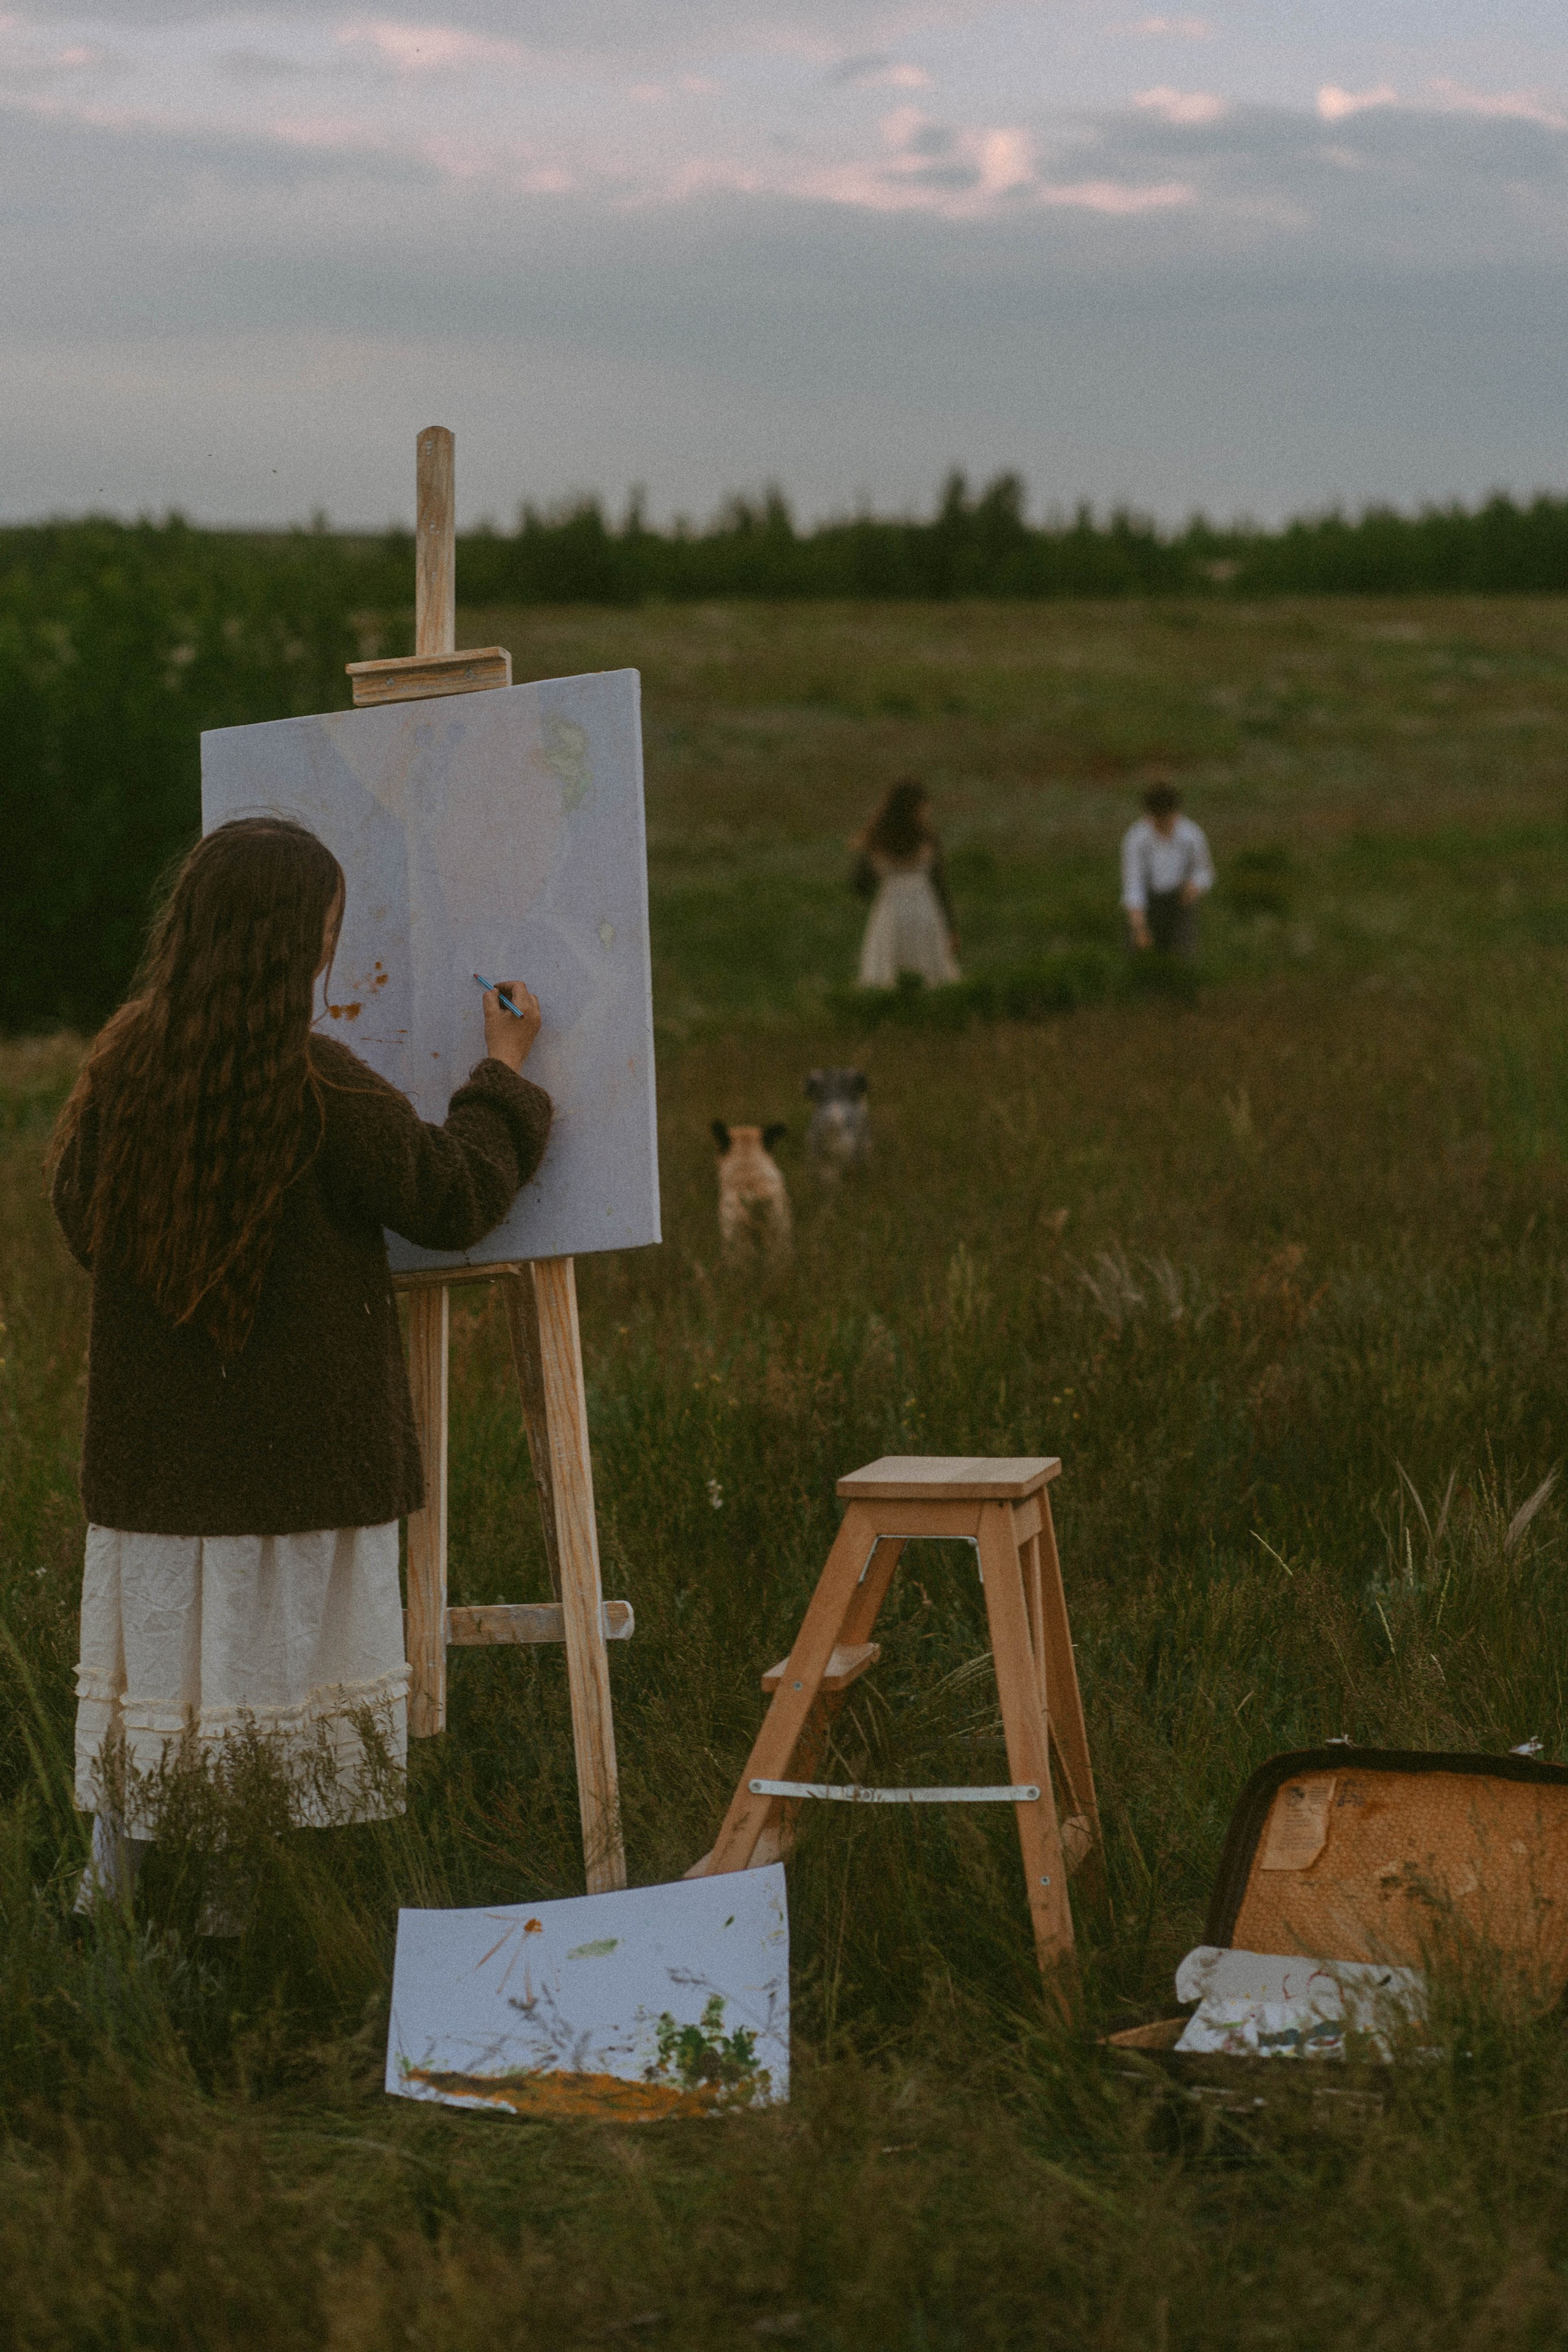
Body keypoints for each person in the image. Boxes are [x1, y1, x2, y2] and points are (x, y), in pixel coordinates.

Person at [49, 815, 551, 1917]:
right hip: (298, 1475)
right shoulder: (319, 1087)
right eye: (328, 929)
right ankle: (235, 1918)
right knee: (263, 1696)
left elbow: (83, 1220)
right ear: (295, 948)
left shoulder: (124, 1063)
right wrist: (502, 1073)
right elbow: (453, 1195)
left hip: (157, 1478)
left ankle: (109, 1900)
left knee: (165, 1692)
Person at [853, 778, 960, 989]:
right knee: (931, 972)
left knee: (887, 972)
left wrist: (884, 881)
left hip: (891, 912)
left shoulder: (878, 841)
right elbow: (940, 885)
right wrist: (951, 927)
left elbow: (859, 884)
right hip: (924, 912)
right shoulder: (927, 840)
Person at [1120, 778, 1214, 959]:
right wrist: (1139, 928)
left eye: (1168, 819)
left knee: (1184, 957)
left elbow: (1205, 872)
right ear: (1149, 816)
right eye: (1159, 820)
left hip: (1180, 901)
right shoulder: (1136, 839)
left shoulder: (1191, 835)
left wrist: (1195, 886)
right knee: (1139, 955)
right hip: (1149, 902)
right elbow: (1133, 885)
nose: (1164, 825)